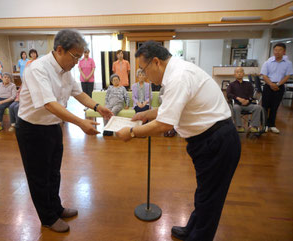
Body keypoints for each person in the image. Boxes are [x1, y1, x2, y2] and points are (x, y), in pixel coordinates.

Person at [116, 41, 241, 241]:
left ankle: (198, 236)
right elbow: (174, 107)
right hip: (209, 139)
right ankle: (192, 229)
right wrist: (147, 114)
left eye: (144, 69)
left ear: (156, 62)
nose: (144, 75)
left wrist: (131, 133)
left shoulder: (178, 77)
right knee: (204, 193)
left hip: (217, 141)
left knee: (210, 199)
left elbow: (164, 124)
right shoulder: (177, 73)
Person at [16, 29, 112, 233]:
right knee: (38, 177)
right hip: (31, 130)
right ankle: (48, 218)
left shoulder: (66, 70)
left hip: (52, 126)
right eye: (75, 56)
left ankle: (56, 208)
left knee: (53, 173)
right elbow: (49, 104)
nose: (77, 61)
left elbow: (78, 93)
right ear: (60, 50)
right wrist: (80, 123)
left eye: (79, 56)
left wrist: (97, 107)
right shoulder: (37, 69)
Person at [261, 42, 293, 134]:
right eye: (275, 50)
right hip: (268, 86)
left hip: (280, 87)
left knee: (275, 107)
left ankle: (272, 125)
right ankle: (265, 125)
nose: (277, 52)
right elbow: (264, 75)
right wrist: (271, 84)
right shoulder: (268, 62)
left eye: (279, 50)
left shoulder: (288, 63)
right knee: (265, 106)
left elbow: (287, 76)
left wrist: (278, 84)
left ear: (284, 52)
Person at [226, 67, 263, 133]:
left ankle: (253, 126)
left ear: (243, 74)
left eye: (241, 72)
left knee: (258, 107)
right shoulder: (231, 85)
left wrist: (248, 100)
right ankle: (239, 126)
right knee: (236, 107)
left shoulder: (248, 84)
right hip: (237, 104)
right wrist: (238, 98)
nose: (239, 73)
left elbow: (251, 95)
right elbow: (229, 94)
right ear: (234, 74)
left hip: (248, 104)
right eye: (237, 72)